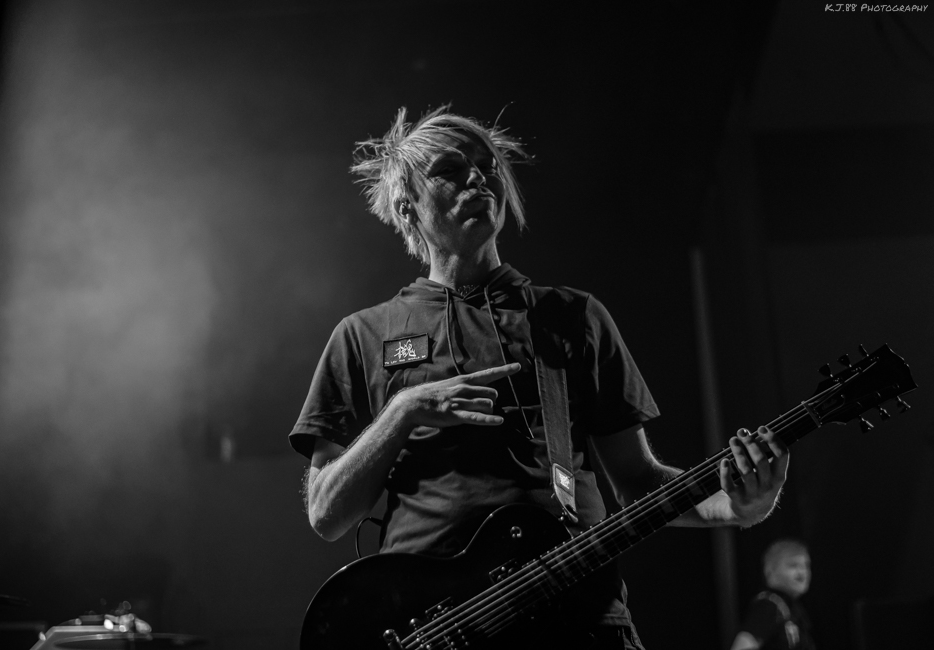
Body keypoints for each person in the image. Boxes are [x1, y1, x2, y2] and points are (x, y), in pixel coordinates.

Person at [289, 106, 788, 649]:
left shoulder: (573, 317)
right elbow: (327, 515)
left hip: (582, 619)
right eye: (451, 169)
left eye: (487, 166)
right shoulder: (362, 335)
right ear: (407, 206)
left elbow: (639, 482)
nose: (478, 176)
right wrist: (402, 412)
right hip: (431, 630)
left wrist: (738, 506)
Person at [731, 539, 815, 650]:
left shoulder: (791, 607)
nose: (802, 572)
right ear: (769, 570)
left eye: (806, 566)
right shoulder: (768, 605)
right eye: (793, 565)